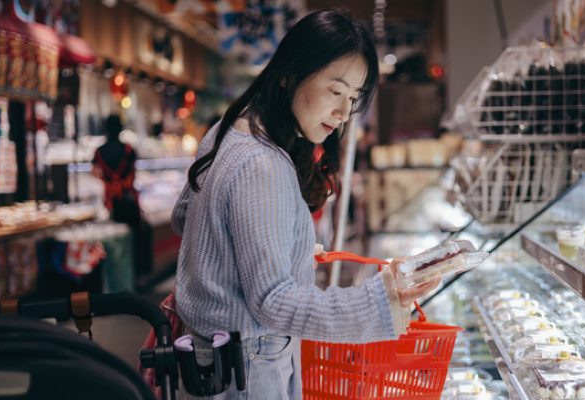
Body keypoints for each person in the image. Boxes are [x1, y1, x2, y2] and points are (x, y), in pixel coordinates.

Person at [171, 10, 440, 399]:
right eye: (335, 91)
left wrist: (277, 246)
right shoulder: (264, 163)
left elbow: (187, 218)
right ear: (290, 72)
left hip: (210, 360)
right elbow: (272, 300)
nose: (344, 113)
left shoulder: (227, 129)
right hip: (247, 368)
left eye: (353, 98)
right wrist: (378, 302)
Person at [92, 114, 141, 226]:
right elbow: (133, 173)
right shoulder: (128, 149)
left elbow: (95, 173)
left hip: (109, 199)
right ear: (121, 129)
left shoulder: (98, 151)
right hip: (128, 199)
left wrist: (108, 182)